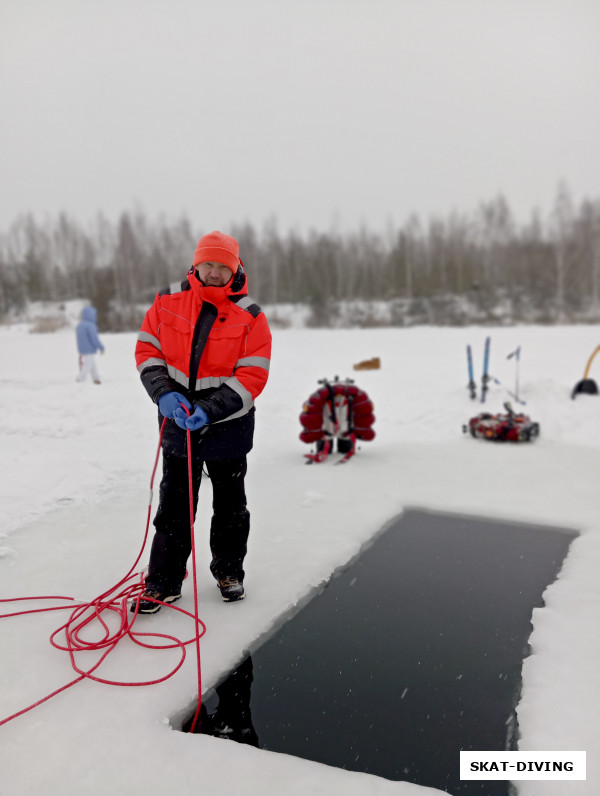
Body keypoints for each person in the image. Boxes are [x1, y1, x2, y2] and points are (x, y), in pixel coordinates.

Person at [133, 230, 272, 612]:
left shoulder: (251, 315)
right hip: (178, 422)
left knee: (230, 506)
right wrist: (162, 393)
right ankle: (163, 581)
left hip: (229, 425)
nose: (213, 272)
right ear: (196, 263)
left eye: (221, 266)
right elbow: (148, 349)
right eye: (207, 264)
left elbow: (253, 375)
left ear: (235, 269)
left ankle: (229, 571)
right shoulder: (167, 300)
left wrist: (210, 409)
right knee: (174, 506)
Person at [76, 305, 105, 384]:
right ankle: (80, 379)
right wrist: (101, 347)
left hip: (82, 349)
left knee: (92, 363)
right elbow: (94, 339)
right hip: (89, 349)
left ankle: (96, 378)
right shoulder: (90, 325)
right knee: (88, 364)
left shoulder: (80, 325)